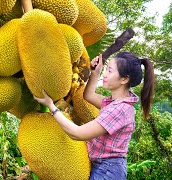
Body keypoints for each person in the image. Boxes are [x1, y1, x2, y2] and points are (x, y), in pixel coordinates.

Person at [33, 52, 155, 180]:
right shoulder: (116, 103)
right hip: (103, 167)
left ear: (124, 79)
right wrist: (95, 73)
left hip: (107, 171)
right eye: (106, 69)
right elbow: (89, 96)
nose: (105, 75)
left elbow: (77, 133)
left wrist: (51, 106)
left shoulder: (119, 110)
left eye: (110, 71)